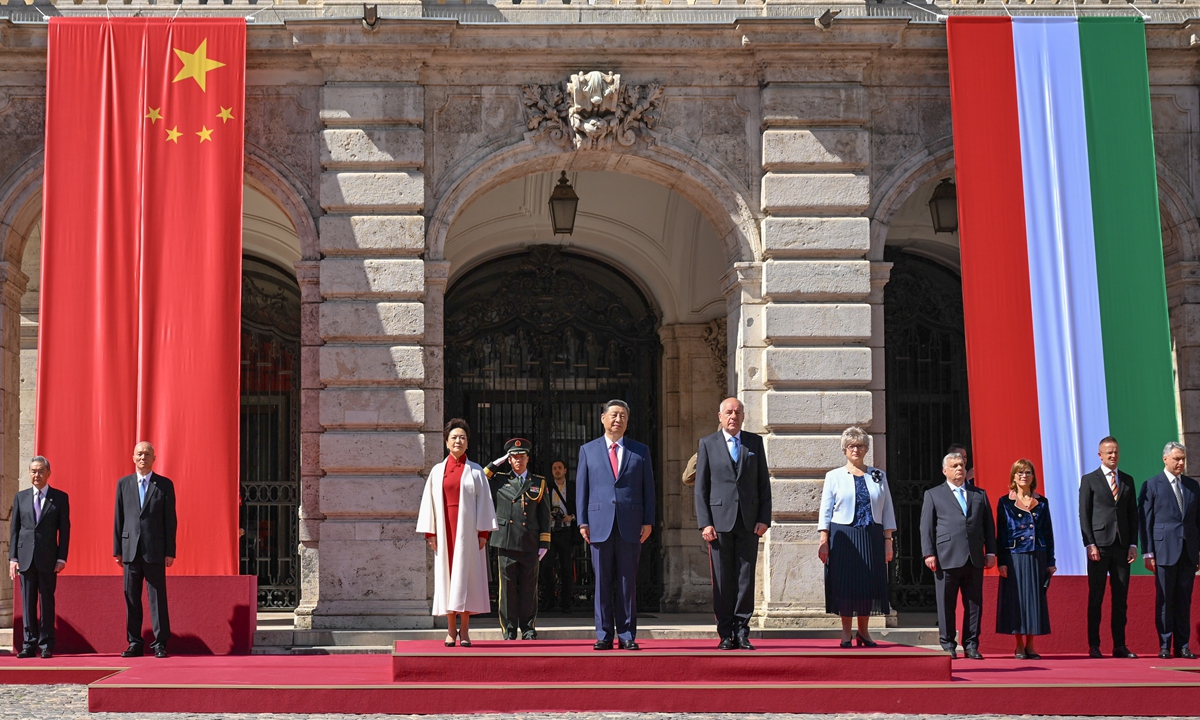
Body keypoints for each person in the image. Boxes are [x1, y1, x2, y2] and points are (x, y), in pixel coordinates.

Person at [577, 399, 655, 651]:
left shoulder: (639, 451)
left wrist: (648, 521)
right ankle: (603, 634)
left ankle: (626, 633)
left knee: (626, 582)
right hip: (598, 524)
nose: (617, 419)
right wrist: (582, 521)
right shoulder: (588, 450)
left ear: (627, 421)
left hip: (630, 524)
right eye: (613, 415)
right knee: (601, 582)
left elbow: (649, 490)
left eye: (622, 415)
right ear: (603, 418)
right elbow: (582, 488)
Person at [695, 398, 772, 651]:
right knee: (723, 578)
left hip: (749, 522)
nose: (733, 416)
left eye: (738, 412)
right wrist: (705, 523)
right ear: (720, 416)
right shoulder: (708, 444)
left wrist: (764, 518)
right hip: (719, 523)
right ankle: (725, 632)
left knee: (745, 579)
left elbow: (763, 484)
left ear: (743, 416)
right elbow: (701, 488)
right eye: (729, 412)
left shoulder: (754, 442)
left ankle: (742, 631)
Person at [416, 419, 497, 648]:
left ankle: (465, 630)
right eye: (454, 437)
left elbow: (485, 503)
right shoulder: (436, 471)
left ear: (467, 443)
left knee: (466, 578)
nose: (458, 441)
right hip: (445, 530)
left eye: (462, 437)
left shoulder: (476, 471)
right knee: (448, 579)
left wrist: (483, 533)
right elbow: (429, 502)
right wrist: (430, 532)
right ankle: (450, 630)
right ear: (446, 442)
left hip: (469, 532)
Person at [817, 427, 895, 649]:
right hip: (843, 536)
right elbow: (826, 509)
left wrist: (888, 540)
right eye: (851, 446)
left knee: (866, 585)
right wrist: (824, 539)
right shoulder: (834, 476)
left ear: (866, 449)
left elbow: (887, 508)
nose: (856, 449)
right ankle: (845, 632)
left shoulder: (878, 476)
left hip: (871, 536)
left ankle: (863, 631)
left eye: (860, 445)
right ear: (844, 449)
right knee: (845, 585)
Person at [920, 452, 996, 659]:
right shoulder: (934, 494)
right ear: (945, 471)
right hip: (946, 557)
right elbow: (926, 527)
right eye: (954, 466)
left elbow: (988, 525)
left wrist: (990, 552)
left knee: (974, 604)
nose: (959, 469)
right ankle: (947, 644)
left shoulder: (979, 494)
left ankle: (971, 645)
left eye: (961, 465)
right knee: (946, 604)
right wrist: (928, 553)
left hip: (974, 557)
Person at [113, 441, 177, 659]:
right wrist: (117, 550)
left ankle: (160, 643)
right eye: (139, 454)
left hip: (155, 550)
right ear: (133, 457)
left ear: (154, 459)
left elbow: (171, 520)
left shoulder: (164, 485)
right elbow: (118, 518)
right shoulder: (123, 484)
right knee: (131, 598)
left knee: (157, 597)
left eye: (147, 454)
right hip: (130, 550)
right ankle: (134, 642)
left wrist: (170, 551)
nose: (143, 458)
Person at [1138, 441, 1200, 659]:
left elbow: (1197, 522)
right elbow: (1145, 522)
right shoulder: (1152, 485)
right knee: (1165, 599)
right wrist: (1148, 553)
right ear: (1165, 459)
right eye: (1177, 459)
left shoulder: (1193, 486)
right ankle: (1165, 644)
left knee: (1184, 600)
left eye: (1183, 459)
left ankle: (1182, 645)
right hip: (1164, 552)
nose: (1181, 463)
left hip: (1188, 553)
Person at [1078, 436, 1138, 658]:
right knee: (1096, 596)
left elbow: (1133, 514)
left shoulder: (1128, 480)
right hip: (1099, 547)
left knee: (1121, 598)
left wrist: (1133, 543)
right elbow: (1084, 514)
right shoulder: (1090, 480)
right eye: (1109, 452)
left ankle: (1120, 645)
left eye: (1116, 452)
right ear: (1100, 455)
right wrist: (1089, 543)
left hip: (1122, 546)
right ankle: (1094, 645)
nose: (1113, 456)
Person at [484, 438, 551, 639]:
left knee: (529, 588)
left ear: (528, 458)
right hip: (505, 540)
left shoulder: (538, 482)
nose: (518, 461)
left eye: (521, 457)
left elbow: (544, 515)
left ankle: (528, 628)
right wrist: (495, 464)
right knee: (507, 589)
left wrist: (544, 543)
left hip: (529, 541)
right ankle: (509, 629)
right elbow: (478, 479)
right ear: (509, 460)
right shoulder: (500, 480)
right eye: (514, 457)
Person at [9, 457, 69, 659]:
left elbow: (65, 530)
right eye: (33, 471)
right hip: (25, 558)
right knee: (27, 602)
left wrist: (62, 558)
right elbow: (15, 529)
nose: (37, 475)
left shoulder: (59, 498)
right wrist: (13, 558)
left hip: (48, 559)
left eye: (41, 471)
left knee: (46, 602)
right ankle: (28, 644)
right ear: (29, 473)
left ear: (48, 473)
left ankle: (46, 645)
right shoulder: (21, 497)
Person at [995, 459, 1055, 659]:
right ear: (1013, 477)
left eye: (1028, 472)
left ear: (1033, 477)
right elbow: (1001, 534)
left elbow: (1048, 532)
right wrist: (1001, 561)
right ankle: (1018, 643)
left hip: (1038, 555)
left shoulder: (1042, 502)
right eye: (1019, 473)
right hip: (1015, 557)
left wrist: (1051, 561)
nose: (1024, 476)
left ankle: (1031, 644)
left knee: (1034, 600)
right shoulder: (1004, 502)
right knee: (1017, 600)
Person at [541, 459, 578, 613]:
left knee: (566, 568)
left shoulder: (573, 488)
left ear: (565, 471)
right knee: (547, 567)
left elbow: (581, 505)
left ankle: (566, 603)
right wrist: (546, 516)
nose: (557, 471)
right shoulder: (546, 487)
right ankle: (549, 601)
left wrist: (572, 517)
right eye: (554, 468)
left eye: (559, 468)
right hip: (550, 532)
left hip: (566, 531)